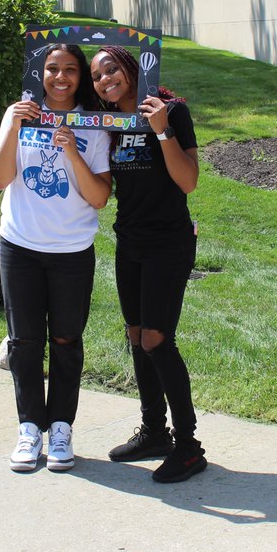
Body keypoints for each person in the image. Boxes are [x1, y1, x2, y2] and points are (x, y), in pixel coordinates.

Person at [0, 44, 112, 472]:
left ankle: (60, 428)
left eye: (70, 70)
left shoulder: (93, 126)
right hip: (20, 245)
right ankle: (29, 429)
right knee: (23, 342)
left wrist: (73, 151)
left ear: (81, 76)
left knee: (65, 341)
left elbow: (98, 198)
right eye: (52, 69)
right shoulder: (19, 114)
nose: (60, 77)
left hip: (70, 251)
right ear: (39, 73)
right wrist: (13, 126)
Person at [89, 45, 207, 483]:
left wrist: (161, 130)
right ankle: (155, 432)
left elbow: (188, 181)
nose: (105, 79)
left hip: (168, 243)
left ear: (130, 68)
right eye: (97, 76)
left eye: (111, 69)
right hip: (130, 241)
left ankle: (189, 447)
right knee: (137, 336)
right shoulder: (109, 124)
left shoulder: (172, 111)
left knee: (158, 339)